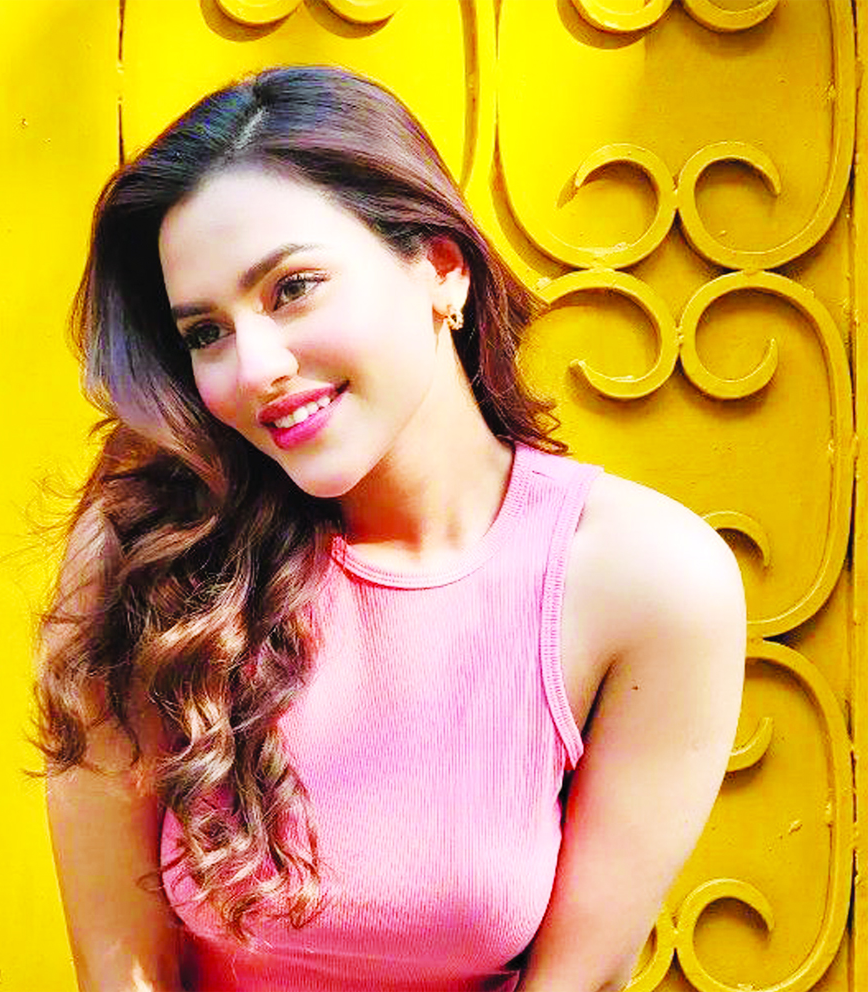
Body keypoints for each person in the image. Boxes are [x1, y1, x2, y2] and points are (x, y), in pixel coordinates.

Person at [37, 65, 746, 992]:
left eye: (293, 288)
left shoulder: (647, 581)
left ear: (441, 269)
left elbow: (580, 977)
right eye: (205, 332)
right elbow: (121, 966)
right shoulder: (153, 553)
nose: (254, 368)